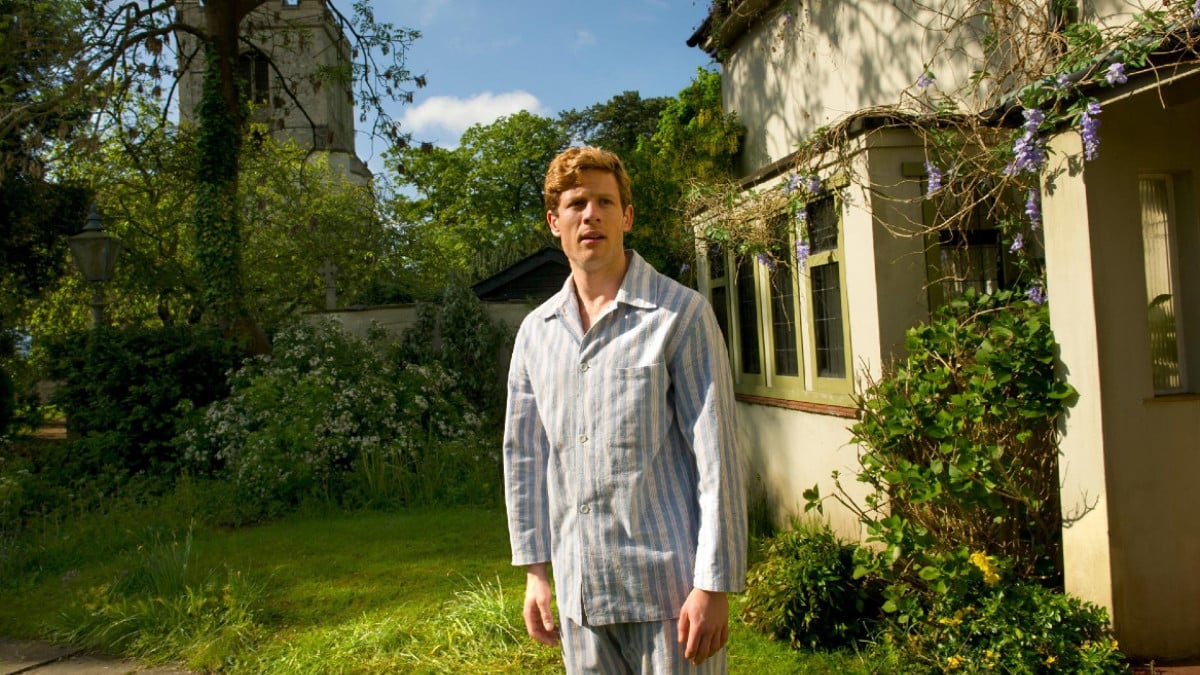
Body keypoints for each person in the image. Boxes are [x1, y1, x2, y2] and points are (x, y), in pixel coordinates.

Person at [503, 146, 747, 674]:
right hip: (580, 593)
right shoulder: (536, 335)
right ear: (554, 222)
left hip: (672, 596)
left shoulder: (681, 316)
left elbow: (718, 459)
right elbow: (524, 459)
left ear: (626, 216)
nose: (590, 214)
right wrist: (536, 573)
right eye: (575, 204)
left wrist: (715, 584)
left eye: (604, 202)